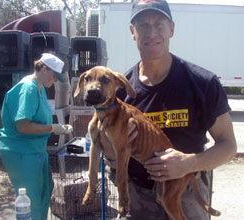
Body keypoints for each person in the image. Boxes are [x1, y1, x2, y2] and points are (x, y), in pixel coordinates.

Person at [100, 0, 237, 219]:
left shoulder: (202, 83)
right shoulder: (120, 91)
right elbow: (113, 156)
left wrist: (189, 163)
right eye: (143, 25)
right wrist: (109, 151)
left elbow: (229, 145)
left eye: (159, 24)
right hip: (139, 198)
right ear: (132, 32)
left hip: (187, 193)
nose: (151, 32)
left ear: (171, 29)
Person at [0, 53, 72, 220]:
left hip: (35, 149)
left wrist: (57, 128)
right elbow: (22, 126)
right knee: (30, 200)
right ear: (44, 68)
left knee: (45, 190)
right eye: (54, 76)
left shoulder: (39, 88)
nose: (54, 80)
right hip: (21, 151)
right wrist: (53, 128)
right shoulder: (28, 88)